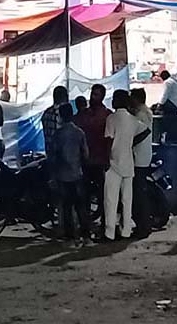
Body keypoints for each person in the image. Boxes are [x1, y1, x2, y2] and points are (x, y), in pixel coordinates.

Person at [102, 89, 149, 241]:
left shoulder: (111, 118)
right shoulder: (133, 119)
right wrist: (130, 142)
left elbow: (108, 141)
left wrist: (105, 161)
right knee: (127, 200)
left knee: (111, 200)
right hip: (129, 163)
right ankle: (126, 231)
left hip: (113, 163)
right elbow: (146, 131)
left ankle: (109, 233)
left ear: (117, 101)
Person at [52, 104, 91, 245]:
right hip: (77, 173)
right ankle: (86, 236)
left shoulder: (58, 134)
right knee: (81, 207)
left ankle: (70, 237)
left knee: (67, 207)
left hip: (63, 175)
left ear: (61, 116)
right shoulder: (79, 132)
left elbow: (54, 155)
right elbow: (86, 154)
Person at [75, 84, 111, 231]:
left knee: (103, 195)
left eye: (96, 95)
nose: (92, 97)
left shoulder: (107, 115)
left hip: (100, 161)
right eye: (92, 94)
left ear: (102, 97)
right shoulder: (84, 114)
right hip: (85, 161)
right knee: (84, 195)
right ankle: (85, 226)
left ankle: (103, 225)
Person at [130, 87, 155, 237]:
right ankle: (144, 224)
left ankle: (143, 226)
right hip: (144, 156)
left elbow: (139, 134)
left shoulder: (140, 115)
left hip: (138, 157)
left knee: (139, 194)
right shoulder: (146, 112)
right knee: (140, 192)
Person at [42, 86, 69, 159]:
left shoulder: (46, 113)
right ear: (66, 97)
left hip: (49, 153)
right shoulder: (62, 113)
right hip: (61, 155)